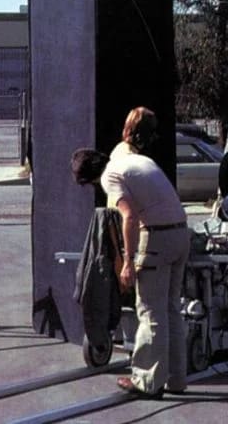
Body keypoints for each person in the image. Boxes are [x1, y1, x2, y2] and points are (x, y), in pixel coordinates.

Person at [71, 147, 189, 398]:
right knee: (171, 309)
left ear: (91, 177)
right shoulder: (135, 160)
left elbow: (130, 216)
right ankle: (176, 378)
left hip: (157, 238)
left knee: (150, 311)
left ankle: (147, 381)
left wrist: (128, 260)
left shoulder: (109, 176)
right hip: (181, 233)